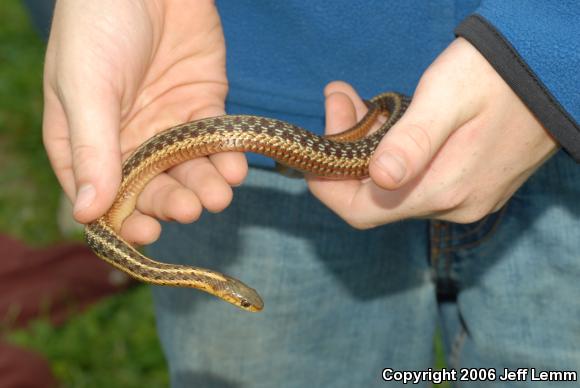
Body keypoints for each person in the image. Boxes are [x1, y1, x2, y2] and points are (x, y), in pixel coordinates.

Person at [42, 1, 580, 387]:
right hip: (231, 104)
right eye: (239, 299)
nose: (242, 302)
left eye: (240, 299)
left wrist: (551, 54)